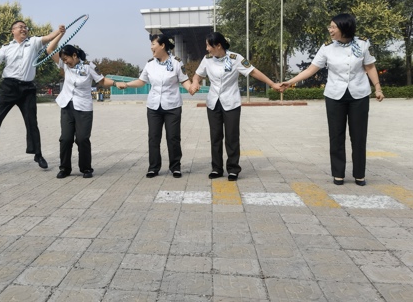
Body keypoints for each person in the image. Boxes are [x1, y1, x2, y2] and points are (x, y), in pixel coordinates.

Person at [280, 13, 384, 186]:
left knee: (359, 136)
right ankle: (338, 174)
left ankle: (359, 174)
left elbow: (370, 66)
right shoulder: (327, 47)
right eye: (330, 26)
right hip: (335, 95)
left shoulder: (363, 43)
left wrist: (378, 88)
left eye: (333, 27)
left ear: (345, 28)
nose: (330, 30)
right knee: (336, 135)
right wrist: (290, 82)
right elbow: (311, 69)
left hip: (359, 95)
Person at [190, 32, 282, 181]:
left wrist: (272, 84)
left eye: (208, 45)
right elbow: (197, 75)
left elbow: (253, 71)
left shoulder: (235, 58)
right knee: (215, 137)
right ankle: (216, 168)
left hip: (231, 102)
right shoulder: (207, 59)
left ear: (218, 45)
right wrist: (195, 82)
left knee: (232, 137)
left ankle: (233, 169)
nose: (206, 49)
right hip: (213, 103)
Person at [0, 21, 65, 169]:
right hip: (9, 87)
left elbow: (48, 38)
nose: (24, 29)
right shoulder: (6, 47)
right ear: (13, 31)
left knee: (32, 123)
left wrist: (59, 31)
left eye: (25, 27)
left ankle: (38, 154)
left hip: (27, 88)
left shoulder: (33, 42)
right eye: (20, 27)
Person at [117, 35, 193, 178]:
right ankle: (153, 167)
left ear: (162, 45)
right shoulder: (150, 64)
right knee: (153, 137)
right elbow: (142, 81)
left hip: (172, 106)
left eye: (153, 44)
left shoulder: (177, 62)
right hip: (153, 107)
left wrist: (191, 88)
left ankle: (175, 167)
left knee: (173, 138)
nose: (151, 47)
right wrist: (127, 84)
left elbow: (184, 80)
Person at [46, 38, 118, 179]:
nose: (65, 62)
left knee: (82, 139)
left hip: (83, 108)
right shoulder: (65, 65)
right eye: (63, 60)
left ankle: (86, 168)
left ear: (74, 55)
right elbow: (49, 49)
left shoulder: (89, 66)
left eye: (66, 59)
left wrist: (116, 83)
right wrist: (60, 34)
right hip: (67, 105)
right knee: (65, 139)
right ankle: (64, 168)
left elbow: (102, 81)